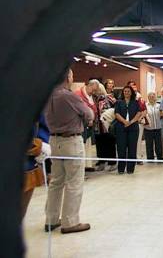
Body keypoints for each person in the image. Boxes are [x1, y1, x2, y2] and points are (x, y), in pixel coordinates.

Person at [44, 68, 94, 233]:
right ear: (67, 77)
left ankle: (51, 219)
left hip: (53, 140)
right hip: (71, 141)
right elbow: (89, 114)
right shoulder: (68, 95)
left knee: (56, 182)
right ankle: (70, 222)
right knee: (74, 181)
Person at [114, 85, 143, 174]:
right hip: (121, 127)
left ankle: (130, 169)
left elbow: (139, 113)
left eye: (128, 91)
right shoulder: (119, 102)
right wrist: (124, 122)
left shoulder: (135, 102)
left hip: (133, 127)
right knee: (121, 148)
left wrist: (131, 122)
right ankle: (121, 169)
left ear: (131, 93)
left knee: (132, 148)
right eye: (125, 91)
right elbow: (116, 114)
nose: (126, 93)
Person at [74, 79, 100, 169]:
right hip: (81, 125)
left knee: (88, 145)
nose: (94, 92)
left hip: (90, 126)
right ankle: (81, 167)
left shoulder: (92, 96)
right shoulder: (78, 94)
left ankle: (87, 165)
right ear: (89, 85)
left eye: (95, 90)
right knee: (81, 146)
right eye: (93, 90)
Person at [95, 83, 117, 172]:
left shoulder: (109, 98)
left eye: (96, 89)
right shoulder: (94, 99)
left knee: (110, 144)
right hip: (97, 126)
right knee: (100, 145)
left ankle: (112, 163)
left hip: (108, 125)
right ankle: (101, 162)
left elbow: (118, 108)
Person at [127, 80, 147, 165]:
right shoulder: (124, 96)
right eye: (130, 86)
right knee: (128, 141)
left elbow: (144, 110)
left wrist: (140, 118)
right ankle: (129, 158)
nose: (132, 87)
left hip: (138, 122)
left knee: (138, 141)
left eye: (134, 85)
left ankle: (138, 157)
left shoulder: (139, 97)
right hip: (127, 122)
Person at [144, 92, 163, 161]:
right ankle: (150, 158)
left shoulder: (159, 105)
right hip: (148, 128)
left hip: (158, 128)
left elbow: (162, 114)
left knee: (159, 144)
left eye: (153, 96)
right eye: (150, 96)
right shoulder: (145, 106)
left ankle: (160, 157)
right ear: (148, 97)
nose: (152, 97)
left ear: (155, 97)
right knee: (149, 144)